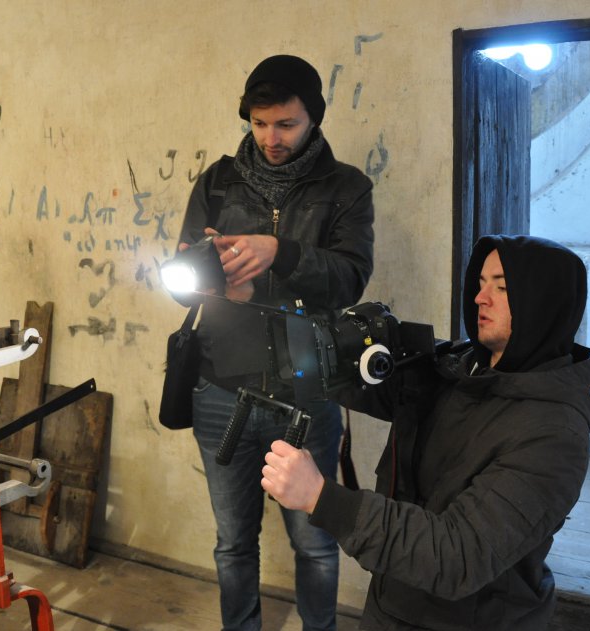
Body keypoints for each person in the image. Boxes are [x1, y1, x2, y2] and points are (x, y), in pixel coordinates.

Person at [261, 235, 590, 630]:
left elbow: (459, 557)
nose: (480, 298)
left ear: (543, 303)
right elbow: (373, 383)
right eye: (481, 283)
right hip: (393, 600)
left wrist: (321, 498)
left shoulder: (554, 436)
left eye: (502, 288)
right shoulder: (458, 367)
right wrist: (312, 353)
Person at [176, 54, 375, 630]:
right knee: (233, 544)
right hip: (220, 389)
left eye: (286, 124)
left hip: (307, 394)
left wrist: (280, 252)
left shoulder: (346, 188)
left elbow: (350, 279)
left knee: (315, 544)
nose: (271, 138)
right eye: (259, 124)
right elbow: (183, 282)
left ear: (313, 117)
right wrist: (215, 282)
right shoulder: (217, 182)